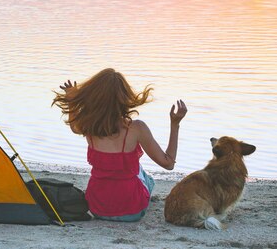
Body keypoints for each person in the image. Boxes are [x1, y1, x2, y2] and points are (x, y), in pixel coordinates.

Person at [52, 68, 188, 222]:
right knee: (144, 176)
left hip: (97, 209)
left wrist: (71, 99)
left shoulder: (86, 125)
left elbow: (73, 126)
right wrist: (175, 124)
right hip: (132, 212)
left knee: (132, 171)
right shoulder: (137, 128)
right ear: (125, 98)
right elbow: (168, 164)